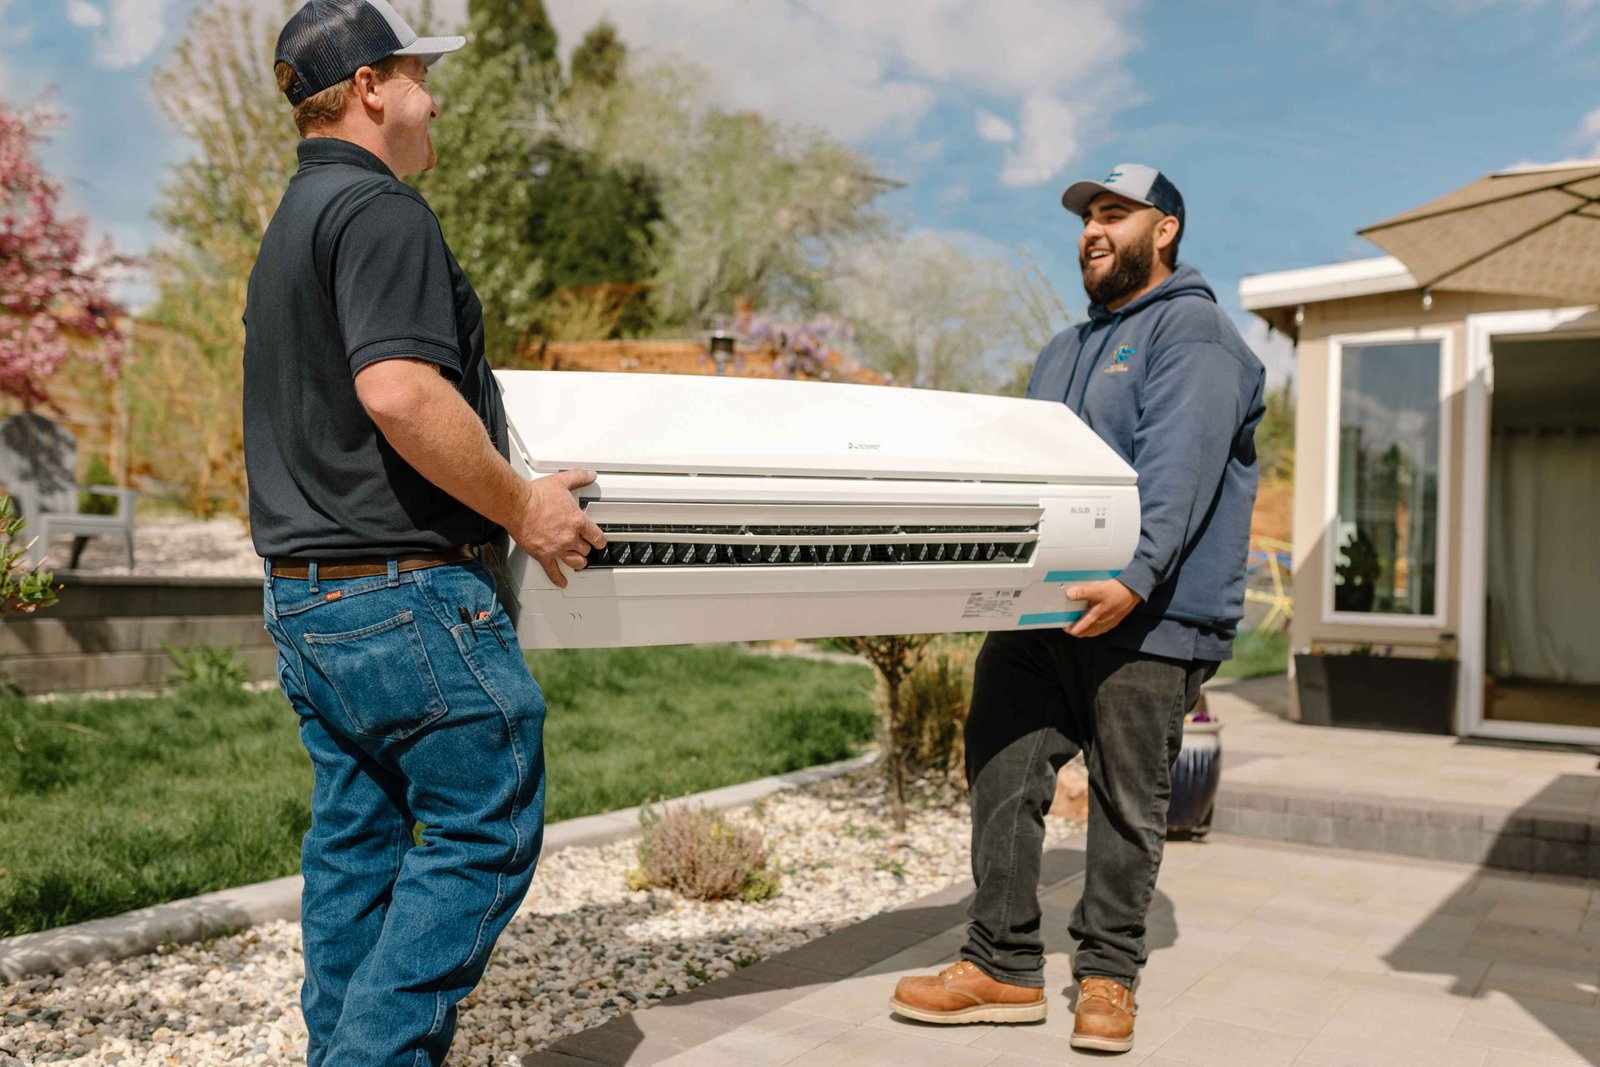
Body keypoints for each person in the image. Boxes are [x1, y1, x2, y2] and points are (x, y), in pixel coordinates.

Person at [243, 2, 605, 1063]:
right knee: (485, 823)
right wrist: (524, 502)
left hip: (310, 599)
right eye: (417, 73)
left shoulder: (292, 227)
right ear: (368, 88)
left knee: (357, 843)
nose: (432, 95)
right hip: (405, 595)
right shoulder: (382, 209)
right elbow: (400, 391)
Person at [889, 163, 1266, 1054]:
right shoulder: (1061, 350)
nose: (1092, 230)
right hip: (1043, 610)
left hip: (1152, 614)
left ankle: (1108, 976)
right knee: (1002, 768)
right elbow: (1028, 475)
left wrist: (1136, 575)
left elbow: (1181, 467)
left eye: (1113, 213)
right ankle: (1002, 963)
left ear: (1163, 229)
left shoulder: (1197, 334)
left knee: (1128, 802)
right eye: (1086, 217)